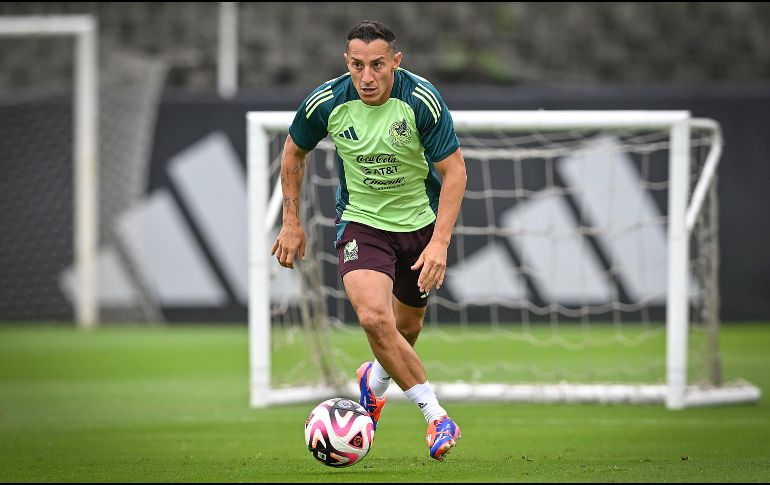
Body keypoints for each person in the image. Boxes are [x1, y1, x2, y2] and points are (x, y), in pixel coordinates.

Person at [271, 19, 467, 462]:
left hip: (419, 225)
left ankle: (374, 383)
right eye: (357, 65)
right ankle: (436, 416)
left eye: (378, 65)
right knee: (375, 320)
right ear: (347, 62)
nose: (367, 77)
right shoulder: (327, 101)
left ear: (396, 62)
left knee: (407, 328)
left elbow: (454, 172)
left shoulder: (420, 100)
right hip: (362, 224)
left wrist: (439, 243)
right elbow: (293, 151)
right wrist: (291, 220)